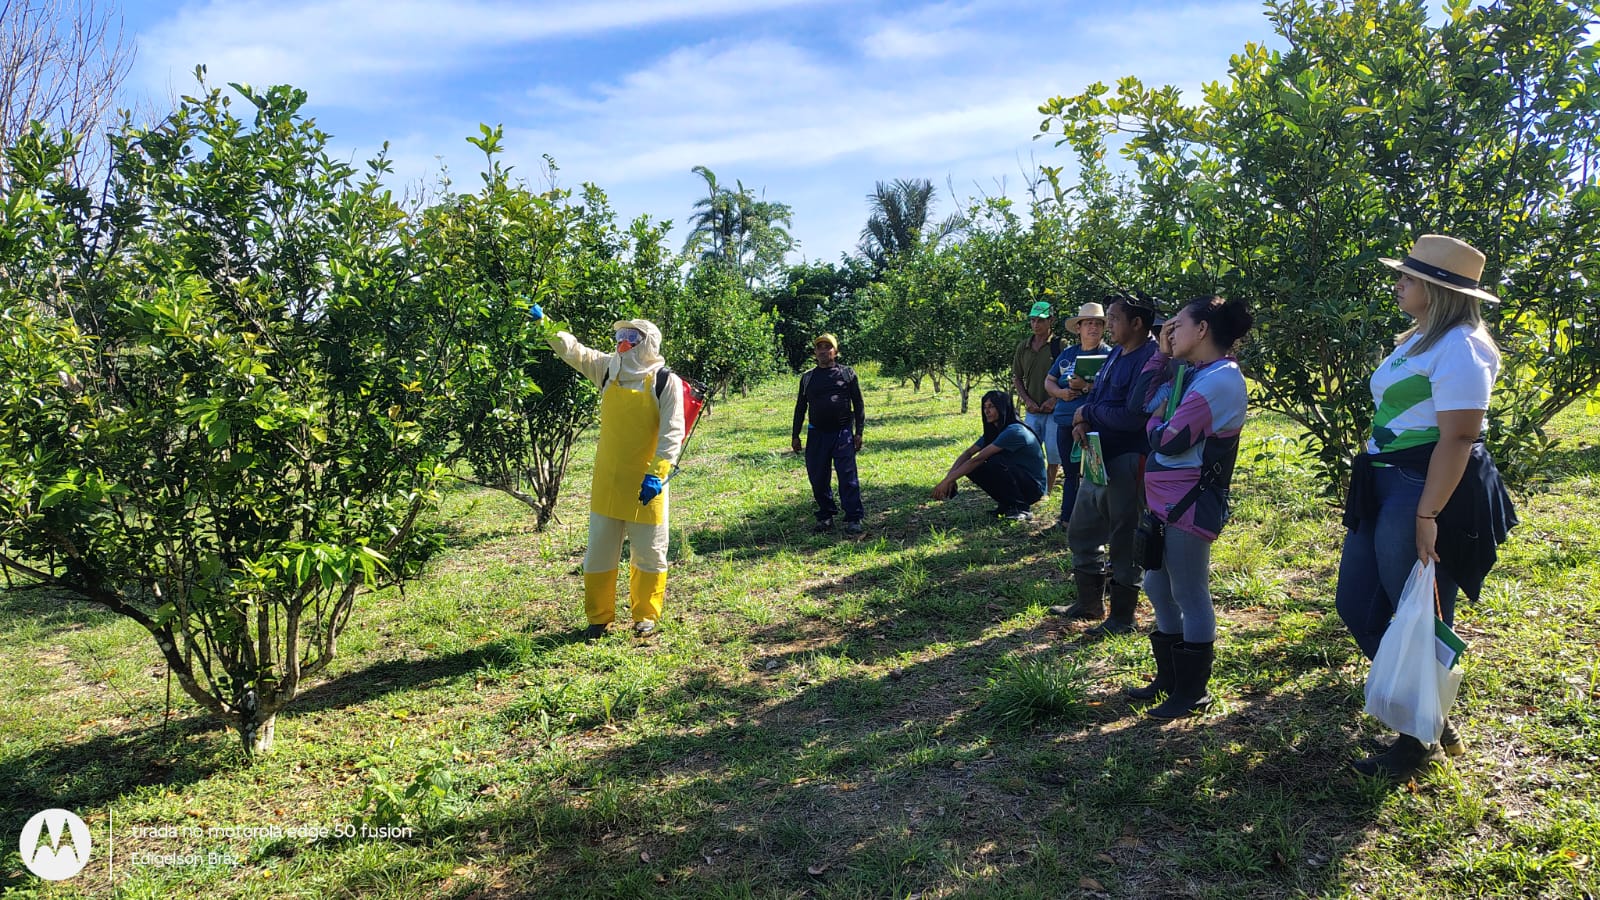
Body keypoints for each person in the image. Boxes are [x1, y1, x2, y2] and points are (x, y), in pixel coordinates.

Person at [1335, 234, 1516, 780]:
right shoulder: (1420, 339)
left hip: (1420, 489)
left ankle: (1419, 741)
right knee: (1360, 606)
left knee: (1420, 613)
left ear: (1438, 290)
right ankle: (1432, 715)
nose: (1398, 284)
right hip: (1386, 485)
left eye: (1408, 278)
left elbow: (1458, 438)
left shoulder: (1461, 347)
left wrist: (1427, 515)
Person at [1124, 296, 1254, 718]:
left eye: (1177, 325)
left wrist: (1157, 423)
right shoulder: (1193, 373)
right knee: (1157, 586)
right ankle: (1170, 679)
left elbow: (1167, 439)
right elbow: (1141, 406)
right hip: (1165, 502)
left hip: (1190, 503)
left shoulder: (1220, 380)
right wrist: (1161, 358)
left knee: (1189, 591)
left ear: (1202, 330)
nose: (1169, 332)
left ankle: (1192, 691)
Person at [535, 307, 687, 639]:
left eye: (631, 337)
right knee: (599, 552)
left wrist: (657, 474)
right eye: (620, 337)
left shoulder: (666, 381)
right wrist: (546, 325)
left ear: (648, 342)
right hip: (608, 480)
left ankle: (645, 615)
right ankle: (598, 618)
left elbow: (673, 433)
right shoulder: (607, 369)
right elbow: (573, 351)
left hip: (646, 484)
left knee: (649, 552)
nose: (623, 343)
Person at [1052, 295, 1161, 637]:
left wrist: (1088, 413)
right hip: (1098, 455)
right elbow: (1098, 394)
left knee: (1124, 538)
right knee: (1082, 530)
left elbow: (1134, 416)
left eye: (1114, 319)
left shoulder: (1150, 360)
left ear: (1137, 323)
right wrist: (1083, 421)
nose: (1108, 325)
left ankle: (1122, 617)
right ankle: (1089, 603)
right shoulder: (1116, 352)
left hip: (1128, 458)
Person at [1043, 301, 1111, 530]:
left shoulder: (1109, 355)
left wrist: (1085, 388)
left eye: (1098, 324)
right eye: (1089, 323)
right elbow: (1049, 380)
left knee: (1094, 472)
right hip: (1064, 421)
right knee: (1070, 473)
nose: (1093, 328)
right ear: (1079, 327)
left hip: (1094, 423)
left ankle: (1095, 521)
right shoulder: (1068, 355)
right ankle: (1067, 519)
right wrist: (1060, 393)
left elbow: (1114, 388)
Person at [932, 390, 1046, 521]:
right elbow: (968, 453)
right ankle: (1007, 504)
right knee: (977, 468)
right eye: (984, 407)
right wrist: (949, 478)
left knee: (992, 461)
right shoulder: (996, 431)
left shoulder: (1014, 431)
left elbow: (978, 459)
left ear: (1002, 408)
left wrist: (947, 481)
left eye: (991, 406)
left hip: (1034, 487)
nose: (987, 411)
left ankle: (1021, 508)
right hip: (1020, 480)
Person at [792, 333, 866, 535]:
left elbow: (858, 403)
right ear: (815, 353)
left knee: (848, 476)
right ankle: (825, 516)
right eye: (819, 348)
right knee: (817, 477)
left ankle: (854, 518)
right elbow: (800, 407)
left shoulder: (847, 374)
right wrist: (795, 435)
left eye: (828, 347)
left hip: (842, 433)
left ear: (835, 351)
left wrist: (858, 432)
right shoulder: (808, 378)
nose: (823, 351)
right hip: (816, 434)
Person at [1013, 301, 1063, 495]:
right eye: (1033, 321)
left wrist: (1055, 400)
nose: (1036, 325)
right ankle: (1031, 487)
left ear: (1051, 320)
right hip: (1032, 410)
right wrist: (1027, 400)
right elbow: (1017, 377)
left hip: (1053, 410)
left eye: (1040, 321)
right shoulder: (1023, 347)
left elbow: (1068, 378)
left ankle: (1047, 491)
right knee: (1030, 451)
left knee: (1053, 453)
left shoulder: (1060, 346)